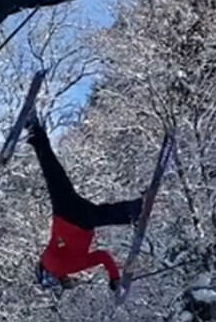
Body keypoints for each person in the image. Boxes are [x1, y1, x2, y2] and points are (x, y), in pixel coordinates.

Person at [25, 109, 143, 292]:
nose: (63, 282)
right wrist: (114, 278)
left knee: (100, 213)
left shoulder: (54, 264)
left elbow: (102, 257)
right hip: (70, 216)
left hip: (74, 219)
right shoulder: (68, 265)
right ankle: (36, 134)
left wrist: (114, 278)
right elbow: (103, 256)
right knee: (54, 175)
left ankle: (134, 211)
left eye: (54, 282)